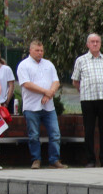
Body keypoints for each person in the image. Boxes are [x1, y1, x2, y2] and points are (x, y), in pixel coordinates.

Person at [17, 40, 66, 169]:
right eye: (37, 50)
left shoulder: (48, 64)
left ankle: (54, 160)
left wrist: (49, 93)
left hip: (48, 106)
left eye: (41, 50)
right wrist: (46, 91)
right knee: (34, 135)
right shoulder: (24, 65)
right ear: (30, 50)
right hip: (32, 106)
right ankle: (36, 160)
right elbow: (27, 84)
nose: (40, 53)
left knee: (55, 133)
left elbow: (56, 81)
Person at [71, 33, 103, 168]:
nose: (95, 44)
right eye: (92, 42)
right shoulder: (81, 60)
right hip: (88, 100)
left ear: (100, 44)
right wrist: (83, 91)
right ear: (87, 44)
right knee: (89, 131)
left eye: (97, 41)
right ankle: (90, 160)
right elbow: (75, 81)